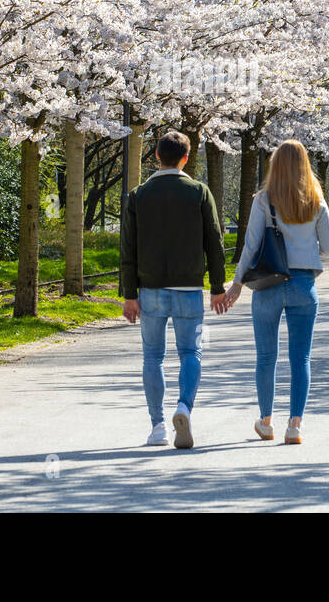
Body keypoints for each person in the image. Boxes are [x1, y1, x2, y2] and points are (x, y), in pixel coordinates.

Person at [223, 139, 329, 444]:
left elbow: (250, 246)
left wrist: (236, 284)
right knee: (301, 358)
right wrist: (307, 255)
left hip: (269, 284)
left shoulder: (263, 200)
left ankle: (266, 421)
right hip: (303, 284)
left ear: (275, 165)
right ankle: (295, 425)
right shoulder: (317, 202)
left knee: (266, 357)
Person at [120, 130, 228, 449]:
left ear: (156, 156)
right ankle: (184, 407)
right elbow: (215, 244)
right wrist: (218, 287)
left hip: (150, 288)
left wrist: (129, 294)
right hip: (189, 287)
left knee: (152, 357)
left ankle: (157, 427)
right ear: (185, 158)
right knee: (190, 352)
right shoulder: (199, 192)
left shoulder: (138, 195)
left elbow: (128, 248)